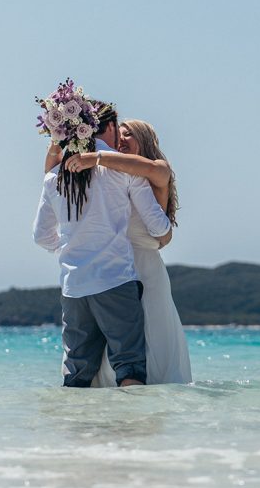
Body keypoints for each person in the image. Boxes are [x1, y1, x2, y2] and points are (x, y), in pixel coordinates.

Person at [33, 103, 172, 387]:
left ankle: (78, 430)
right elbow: (159, 227)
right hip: (115, 280)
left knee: (76, 375)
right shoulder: (125, 170)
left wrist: (71, 249)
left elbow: (41, 236)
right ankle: (131, 428)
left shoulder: (54, 177)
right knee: (129, 366)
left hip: (73, 286)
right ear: (107, 127)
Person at [60, 119, 193, 385]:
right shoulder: (106, 178)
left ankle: (144, 410)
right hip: (109, 271)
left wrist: (96, 157)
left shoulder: (156, 171)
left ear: (144, 140)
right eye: (117, 134)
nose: (120, 140)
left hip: (144, 270)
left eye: (128, 134)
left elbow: (161, 234)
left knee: (149, 344)